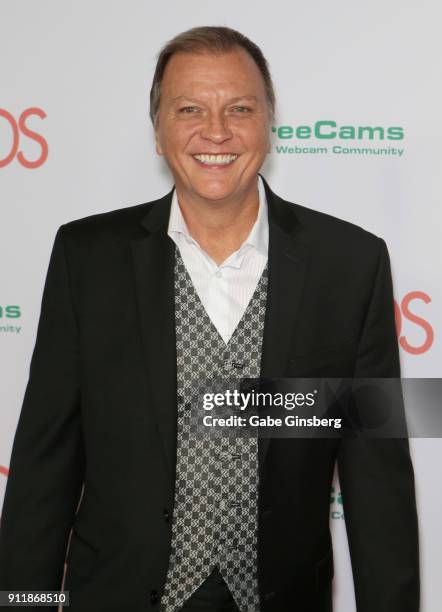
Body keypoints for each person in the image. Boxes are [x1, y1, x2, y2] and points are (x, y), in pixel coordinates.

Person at [0, 26, 419, 612]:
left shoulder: (350, 262)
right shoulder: (86, 257)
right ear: (158, 129)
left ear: (269, 124)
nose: (216, 131)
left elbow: (379, 485)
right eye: (190, 108)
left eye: (240, 109)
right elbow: (45, 469)